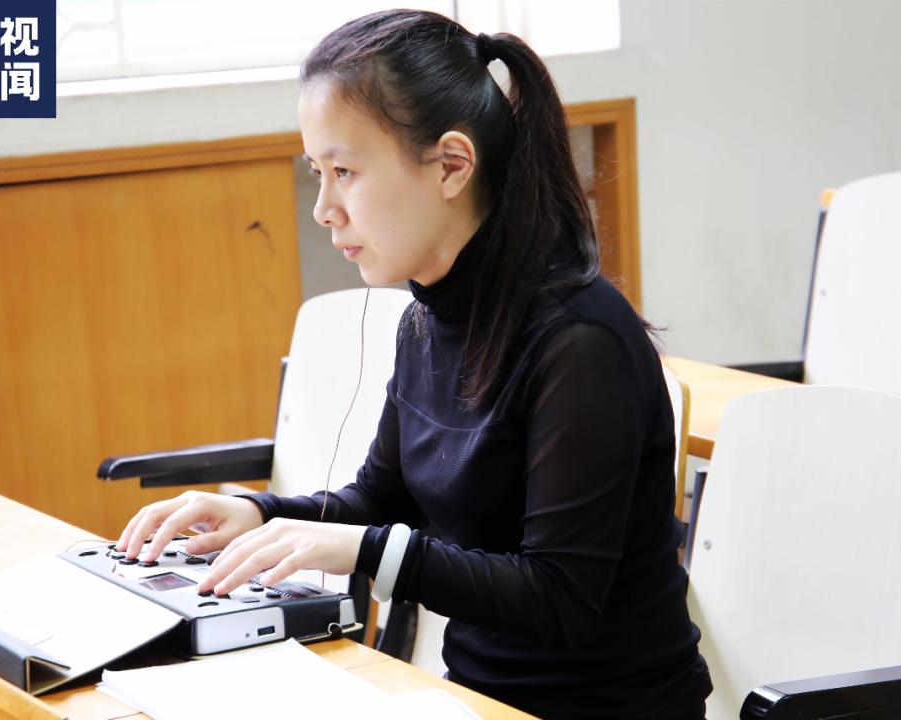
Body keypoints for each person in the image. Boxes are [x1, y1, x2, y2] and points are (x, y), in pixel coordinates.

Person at [116, 9, 712, 719]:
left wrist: (361, 550)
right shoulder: (427, 320)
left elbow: (559, 597)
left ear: (452, 165)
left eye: (345, 171)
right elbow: (382, 499)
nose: (324, 209)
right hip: (473, 701)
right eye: (316, 174)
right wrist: (259, 513)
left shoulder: (580, 343)